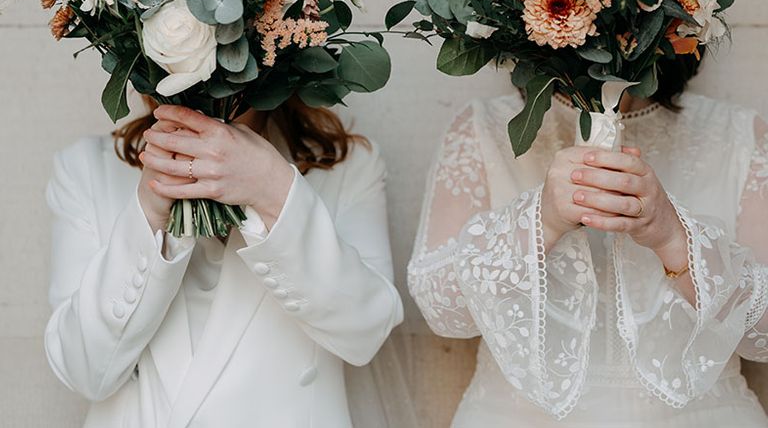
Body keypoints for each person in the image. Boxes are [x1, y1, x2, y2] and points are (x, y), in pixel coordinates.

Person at [409, 30, 768, 422]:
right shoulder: (484, 126)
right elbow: (441, 310)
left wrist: (671, 235)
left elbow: (763, 338)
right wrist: (540, 220)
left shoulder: (738, 133)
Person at [44, 97, 403, 428]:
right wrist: (149, 214)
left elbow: (367, 332)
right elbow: (84, 371)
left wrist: (273, 190)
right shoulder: (87, 168)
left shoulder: (345, 165)